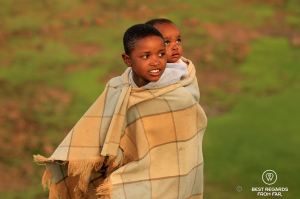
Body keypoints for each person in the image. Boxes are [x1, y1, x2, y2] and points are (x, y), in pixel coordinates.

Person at [34, 23, 207, 199]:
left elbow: (187, 143)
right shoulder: (117, 88)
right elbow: (96, 129)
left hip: (173, 179)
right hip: (128, 171)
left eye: (161, 54)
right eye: (146, 56)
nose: (156, 61)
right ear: (127, 59)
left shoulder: (180, 97)